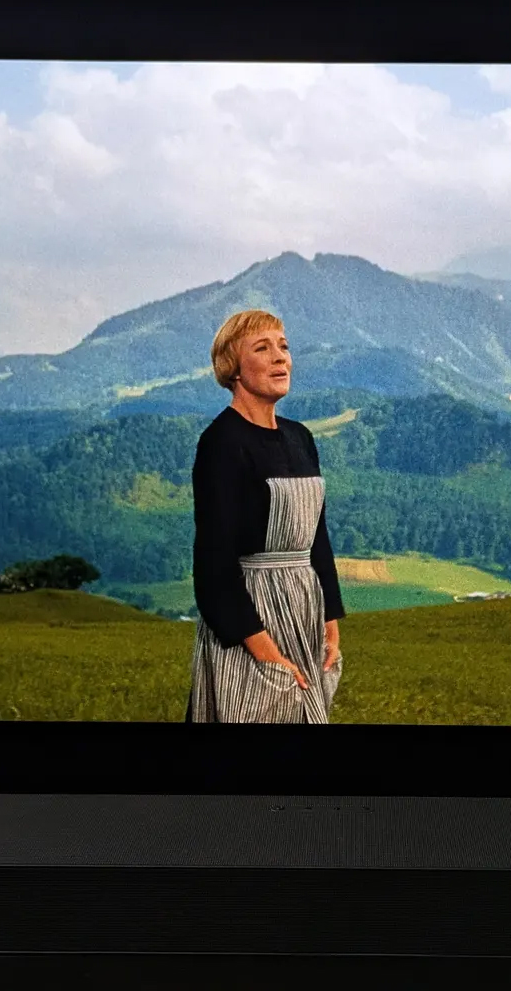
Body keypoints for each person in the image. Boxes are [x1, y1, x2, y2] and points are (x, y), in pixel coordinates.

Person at [187, 309, 345, 723]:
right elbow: (213, 565)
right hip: (252, 621)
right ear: (233, 369)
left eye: (284, 346)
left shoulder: (300, 438)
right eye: (262, 348)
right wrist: (265, 654)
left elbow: (317, 540)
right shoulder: (222, 442)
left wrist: (330, 623)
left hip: (304, 613)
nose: (280, 357)